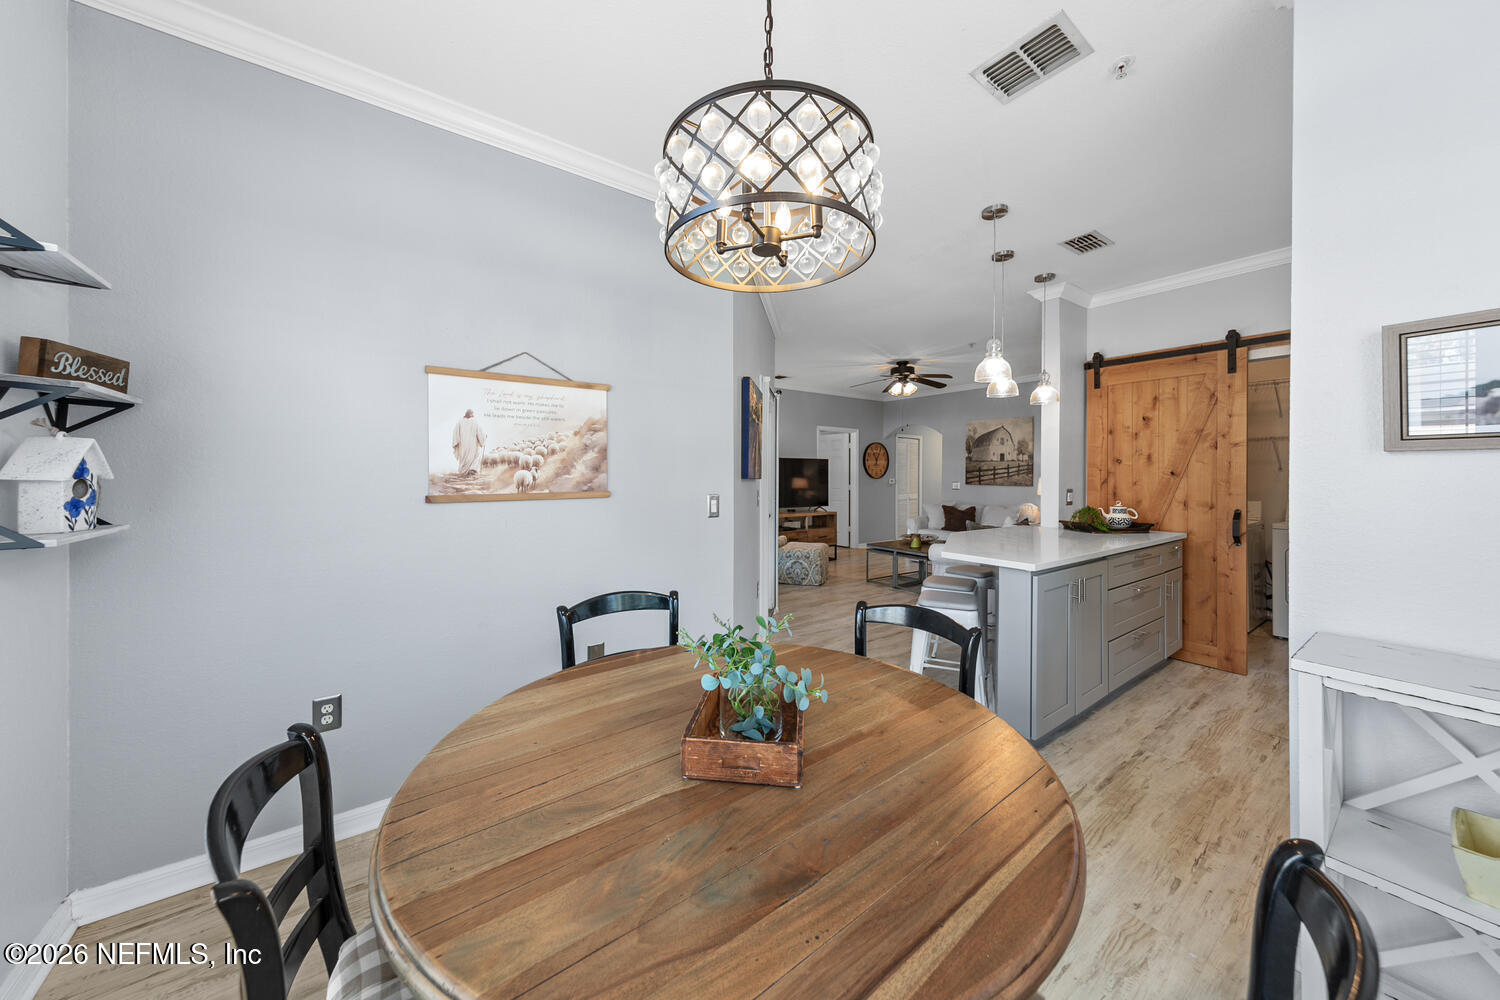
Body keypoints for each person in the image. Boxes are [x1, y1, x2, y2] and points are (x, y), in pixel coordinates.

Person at [452, 409, 487, 476]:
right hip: (473, 446)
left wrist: (456, 443)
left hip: (463, 446)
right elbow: (480, 433)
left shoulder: (460, 422)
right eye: (472, 414)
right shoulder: (475, 422)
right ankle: (472, 470)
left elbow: (455, 433)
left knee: (464, 459)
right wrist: (484, 436)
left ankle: (464, 472)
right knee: (475, 456)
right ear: (470, 414)